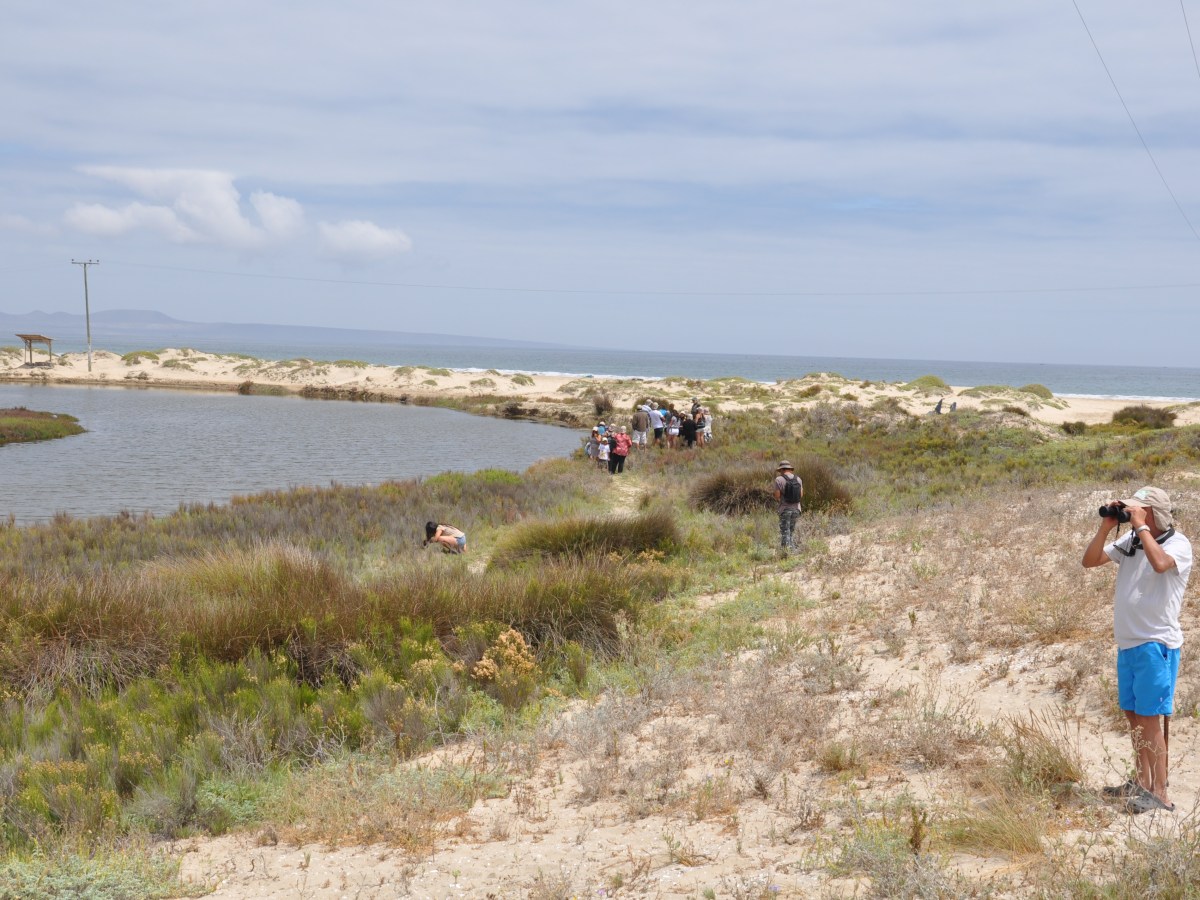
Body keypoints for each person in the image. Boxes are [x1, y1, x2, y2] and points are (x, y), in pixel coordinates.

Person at [1082, 486, 1192, 814]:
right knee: (1133, 716)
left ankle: (1160, 792)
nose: (1130, 514)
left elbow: (1160, 564)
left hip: (1156, 644)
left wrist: (1141, 526)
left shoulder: (1178, 543)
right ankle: (1142, 782)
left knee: (1149, 717)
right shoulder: (1131, 541)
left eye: (1137, 509)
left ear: (1152, 512)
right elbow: (1090, 561)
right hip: (1129, 643)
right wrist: (1106, 526)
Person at [773, 460, 803, 553]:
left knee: (785, 532)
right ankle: (792, 550)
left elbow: (777, 496)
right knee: (791, 531)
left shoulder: (779, 479)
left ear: (782, 470)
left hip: (785, 509)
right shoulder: (798, 479)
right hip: (796, 509)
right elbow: (801, 495)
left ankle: (786, 553)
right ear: (790, 469)